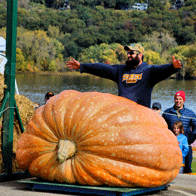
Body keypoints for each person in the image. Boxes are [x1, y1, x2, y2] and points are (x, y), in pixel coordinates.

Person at [66, 43, 182, 108]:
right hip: (122, 113)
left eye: (132, 53)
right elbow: (102, 68)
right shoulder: (121, 70)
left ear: (140, 55)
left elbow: (162, 70)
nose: (129, 56)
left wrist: (173, 67)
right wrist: (82, 66)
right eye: (128, 53)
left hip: (141, 116)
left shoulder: (148, 71)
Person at [162, 91, 196, 173]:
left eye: (180, 99)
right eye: (176, 99)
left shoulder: (190, 113)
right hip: (171, 145)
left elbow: (195, 128)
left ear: (183, 100)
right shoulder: (167, 113)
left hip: (185, 144)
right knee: (169, 166)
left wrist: (190, 139)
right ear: (174, 99)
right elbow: (162, 128)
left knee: (187, 168)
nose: (178, 101)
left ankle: (187, 184)